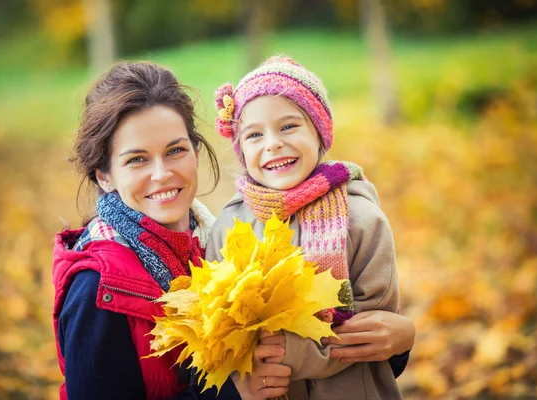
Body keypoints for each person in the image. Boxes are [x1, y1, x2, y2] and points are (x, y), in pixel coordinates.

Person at [51, 61, 291, 400]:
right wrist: (227, 396)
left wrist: (392, 345)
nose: (161, 173)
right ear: (104, 175)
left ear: (195, 151)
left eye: (175, 150)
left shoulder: (224, 246)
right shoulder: (97, 289)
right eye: (137, 159)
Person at [206, 55, 414, 399]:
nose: (272, 142)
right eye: (254, 134)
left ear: (319, 134)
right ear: (241, 149)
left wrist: (285, 352)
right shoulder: (230, 225)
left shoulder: (361, 218)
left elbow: (369, 332)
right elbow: (221, 328)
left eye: (288, 126)